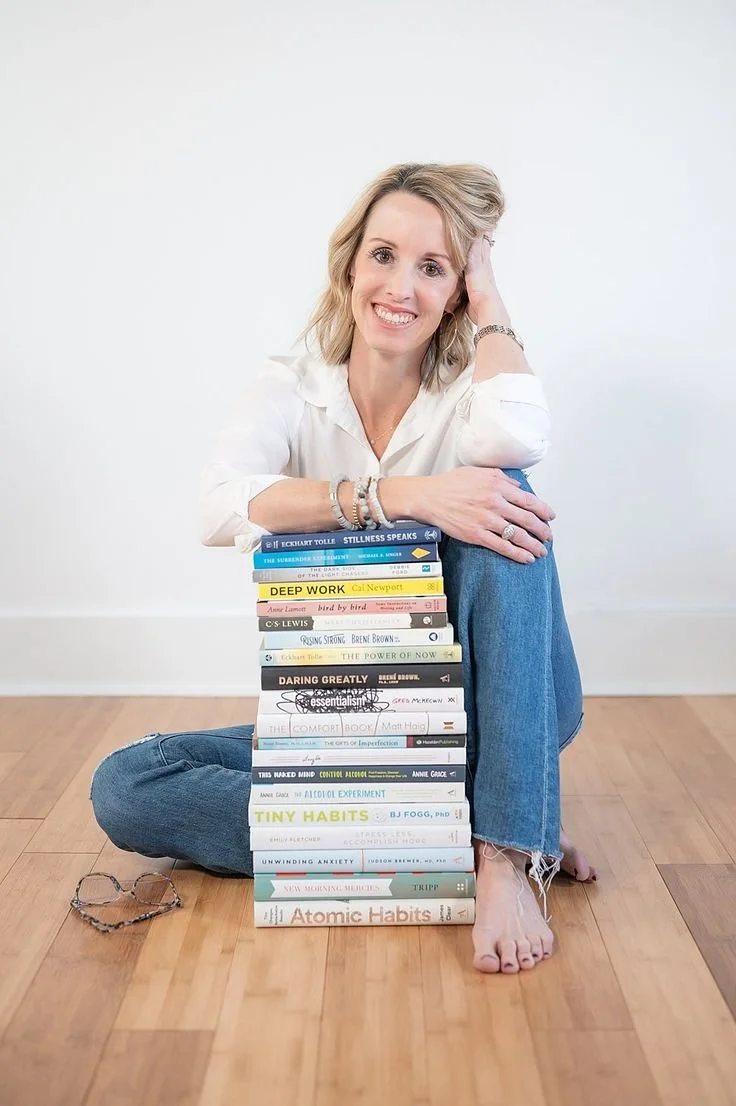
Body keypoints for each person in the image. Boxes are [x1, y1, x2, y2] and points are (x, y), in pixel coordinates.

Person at [90, 161, 595, 974]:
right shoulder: (293, 386)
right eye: (385, 255)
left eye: (434, 268)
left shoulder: (472, 391)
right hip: (353, 712)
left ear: (457, 293)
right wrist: (402, 495)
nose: (401, 286)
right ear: (350, 264)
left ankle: (500, 853)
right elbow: (218, 505)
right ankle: (458, 819)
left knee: (503, 487)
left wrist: (491, 289)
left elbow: (517, 441)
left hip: (498, 699)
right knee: (126, 783)